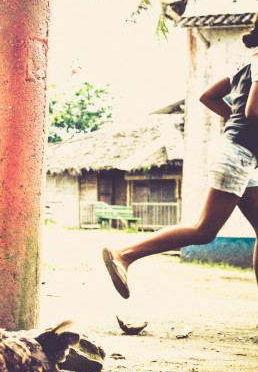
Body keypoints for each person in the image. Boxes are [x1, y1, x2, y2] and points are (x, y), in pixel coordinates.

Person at [102, 20, 258, 299]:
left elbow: (208, 96)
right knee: (204, 230)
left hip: (241, 154)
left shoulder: (246, 62)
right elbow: (253, 111)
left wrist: (232, 119)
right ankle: (124, 254)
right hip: (237, 154)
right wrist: (239, 122)